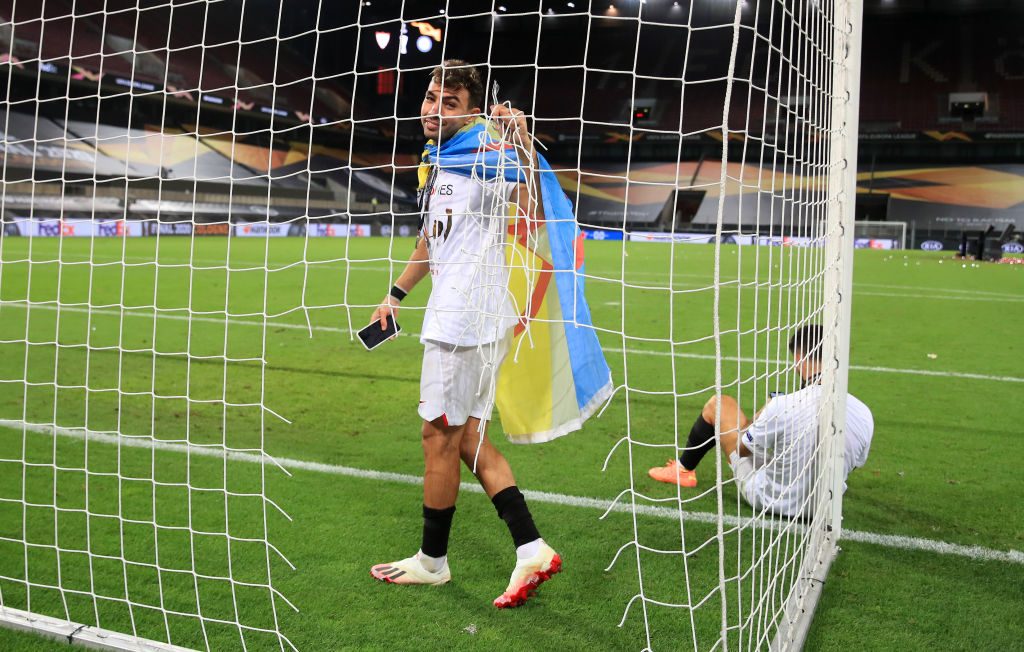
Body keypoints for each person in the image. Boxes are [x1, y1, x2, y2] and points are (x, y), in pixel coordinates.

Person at [368, 60, 561, 608]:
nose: (433, 109)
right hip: (473, 316)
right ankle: (532, 548)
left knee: (438, 437)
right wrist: (395, 295)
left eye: (447, 103)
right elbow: (432, 242)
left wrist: (519, 141)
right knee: (468, 438)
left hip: (463, 322)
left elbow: (530, 207)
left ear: (471, 111)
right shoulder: (440, 160)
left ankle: (432, 563)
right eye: (431, 97)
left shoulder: (482, 155)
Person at [648, 325, 874, 518]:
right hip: (825, 505)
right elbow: (855, 463)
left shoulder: (784, 406)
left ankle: (683, 469)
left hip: (771, 500)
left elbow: (741, 449)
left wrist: (761, 415)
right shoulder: (863, 412)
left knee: (719, 404)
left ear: (799, 359)